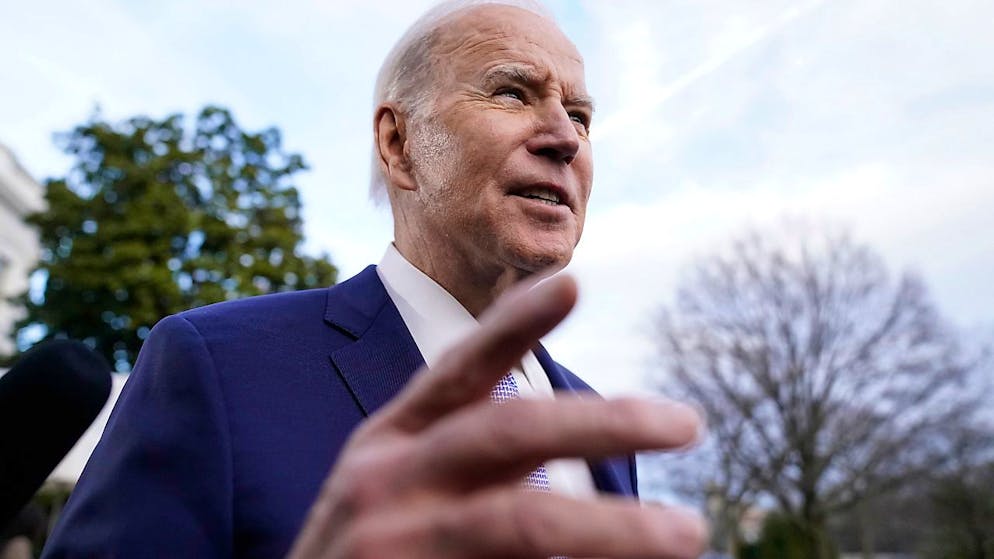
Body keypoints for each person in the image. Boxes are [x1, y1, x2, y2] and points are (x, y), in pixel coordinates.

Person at [43, 1, 707, 557]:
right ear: (398, 143)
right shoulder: (216, 367)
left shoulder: (600, 434)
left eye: (582, 116)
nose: (564, 136)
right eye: (512, 92)